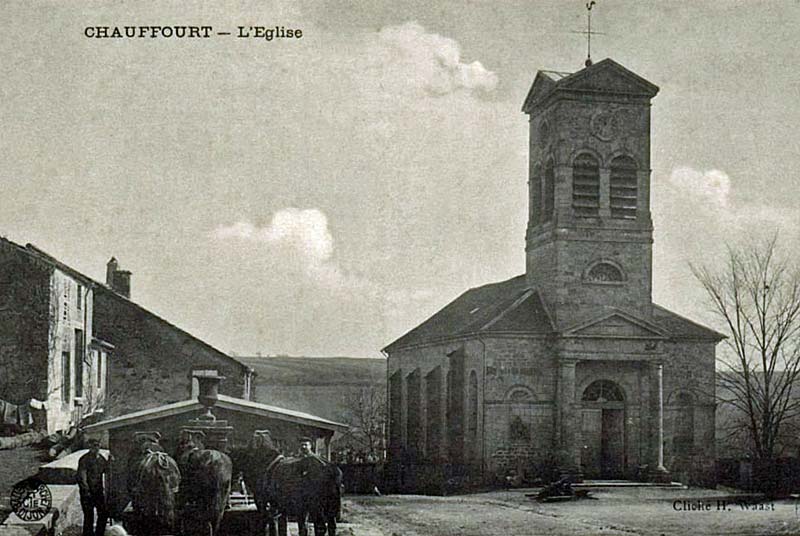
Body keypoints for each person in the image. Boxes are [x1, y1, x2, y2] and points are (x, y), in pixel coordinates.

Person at [77, 437, 109, 536]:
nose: (97, 448)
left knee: (103, 514)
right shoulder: (84, 459)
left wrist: (111, 463)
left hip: (98, 492)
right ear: (90, 447)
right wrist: (86, 491)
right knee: (88, 516)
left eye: (98, 445)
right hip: (87, 493)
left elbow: (106, 471)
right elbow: (82, 477)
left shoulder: (102, 459)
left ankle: (99, 534)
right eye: (94, 446)